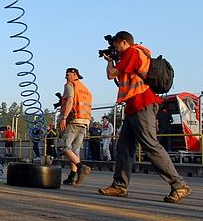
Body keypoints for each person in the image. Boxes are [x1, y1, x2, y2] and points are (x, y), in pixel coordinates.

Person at [98, 31, 190, 203]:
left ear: (124, 42)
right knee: (124, 148)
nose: (115, 49)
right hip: (133, 106)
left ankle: (179, 185)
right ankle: (119, 186)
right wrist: (114, 58)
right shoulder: (129, 55)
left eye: (116, 46)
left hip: (143, 103)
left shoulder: (133, 52)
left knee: (150, 145)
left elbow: (111, 74)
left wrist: (110, 61)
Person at [58, 67, 93, 186]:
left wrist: (63, 118)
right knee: (75, 151)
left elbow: (70, 101)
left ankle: (81, 167)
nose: (66, 77)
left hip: (74, 120)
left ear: (74, 74)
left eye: (67, 74)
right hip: (85, 121)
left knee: (64, 147)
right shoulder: (85, 89)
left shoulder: (70, 85)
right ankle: (72, 176)